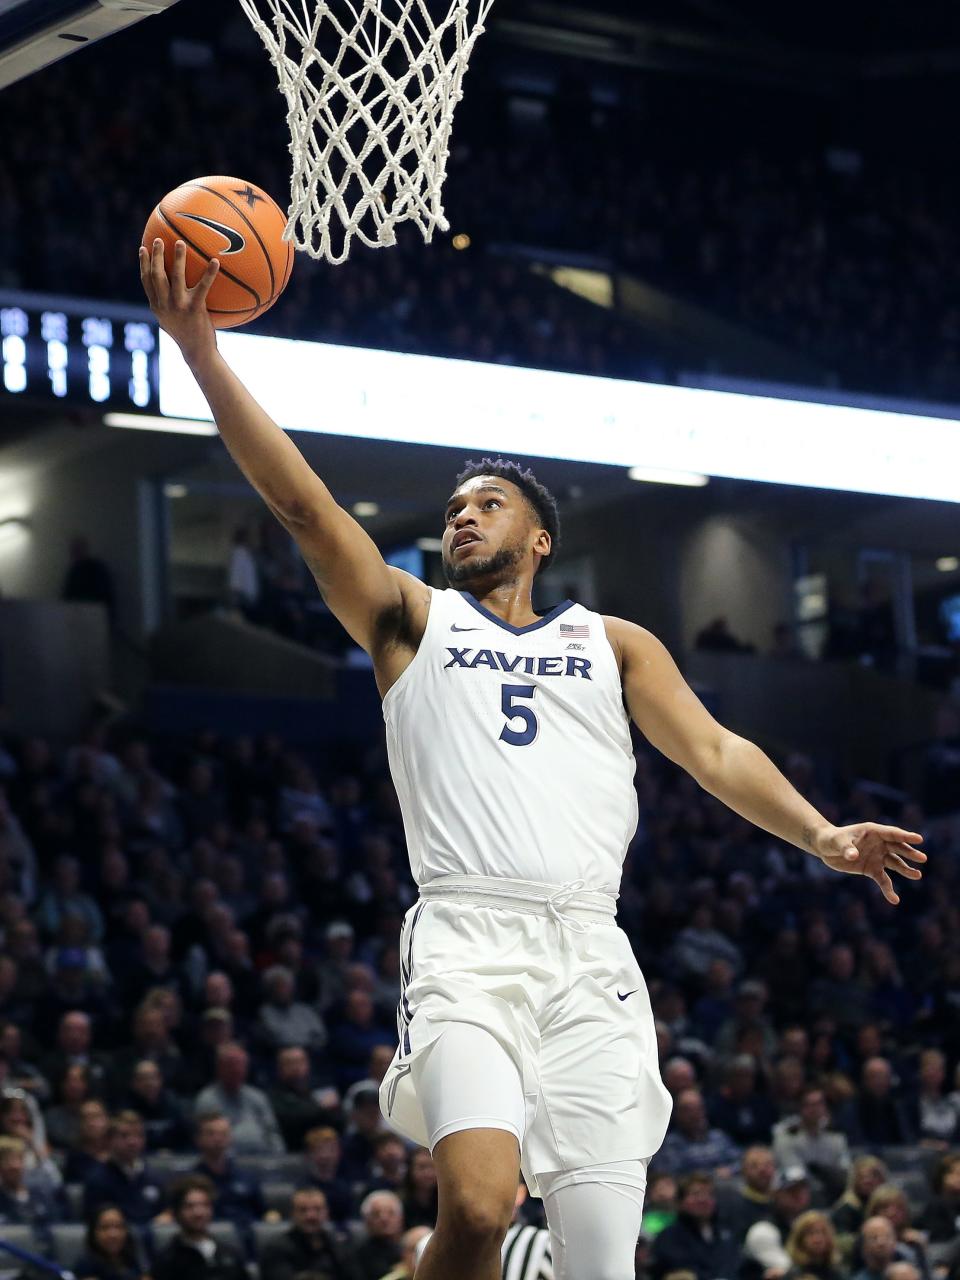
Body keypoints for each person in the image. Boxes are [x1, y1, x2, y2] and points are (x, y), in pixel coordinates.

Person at [142, 240, 927, 1280]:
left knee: (600, 1267)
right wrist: (204, 358)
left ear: (541, 537)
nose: (462, 514)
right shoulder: (409, 622)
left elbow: (714, 750)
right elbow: (304, 509)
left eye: (487, 502)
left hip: (591, 958)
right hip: (470, 941)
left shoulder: (615, 641)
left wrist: (823, 832)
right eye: (454, 507)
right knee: (475, 1205)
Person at [194, 1041, 285, 1154]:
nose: (237, 1069)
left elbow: (272, 1133)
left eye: (240, 1064)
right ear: (219, 1067)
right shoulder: (208, 1099)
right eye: (231, 1064)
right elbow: (210, 1139)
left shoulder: (257, 1096)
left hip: (263, 1161)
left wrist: (278, 1157)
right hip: (228, 1163)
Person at [649, 1171, 742, 1280]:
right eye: (695, 1194)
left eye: (708, 1194)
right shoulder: (668, 1238)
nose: (703, 1199)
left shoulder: (726, 1233)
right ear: (680, 1202)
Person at [153, 1175, 247, 1280]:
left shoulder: (230, 1254)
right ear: (176, 1212)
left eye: (205, 1205)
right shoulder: (167, 1260)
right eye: (190, 1206)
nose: (199, 1213)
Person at [258, 1186, 361, 1280]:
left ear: (326, 1213)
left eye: (317, 1210)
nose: (311, 1216)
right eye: (303, 1210)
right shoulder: (276, 1248)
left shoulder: (339, 1245)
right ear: (292, 1214)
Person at [82, 1111, 165, 1226]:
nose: (132, 1142)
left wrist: (166, 1216)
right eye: (124, 1135)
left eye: (138, 1135)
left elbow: (167, 1210)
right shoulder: (97, 1180)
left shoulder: (155, 1177)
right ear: (109, 1140)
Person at [773, 1087, 852, 1201]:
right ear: (800, 1108)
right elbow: (794, 1174)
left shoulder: (836, 1138)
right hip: (797, 1195)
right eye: (809, 1105)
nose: (814, 1109)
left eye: (819, 1104)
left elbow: (845, 1170)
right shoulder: (786, 1138)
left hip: (833, 1192)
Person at [73, 1205, 144, 1280]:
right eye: (105, 1227)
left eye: (118, 1226)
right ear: (93, 1232)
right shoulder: (86, 1265)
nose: (113, 1234)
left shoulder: (132, 1257)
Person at [354, 1190, 404, 1280]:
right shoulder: (357, 1256)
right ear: (366, 1220)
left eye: (391, 1213)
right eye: (376, 1214)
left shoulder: (408, 1248)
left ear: (401, 1218)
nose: (384, 1219)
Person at [784, 1210, 846, 1280]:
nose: (818, 1239)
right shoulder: (793, 1275)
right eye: (811, 1233)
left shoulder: (837, 1273)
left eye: (822, 1232)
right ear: (800, 1240)